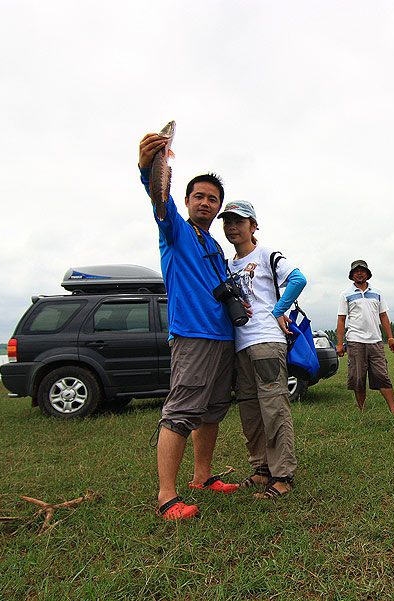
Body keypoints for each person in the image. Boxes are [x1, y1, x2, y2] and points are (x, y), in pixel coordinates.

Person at [138, 131, 239, 520]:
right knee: (180, 412)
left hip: (222, 337)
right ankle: (167, 496)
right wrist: (148, 168)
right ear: (187, 200)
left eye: (213, 199)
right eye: (199, 196)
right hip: (192, 335)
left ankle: (203, 476)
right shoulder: (176, 230)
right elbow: (158, 199)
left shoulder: (214, 245)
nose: (206, 202)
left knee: (213, 410)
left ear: (218, 208)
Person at [220, 200, 305, 499]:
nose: (232, 226)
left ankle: (282, 476)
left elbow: (298, 278)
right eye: (227, 221)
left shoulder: (267, 254)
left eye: (239, 221)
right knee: (250, 411)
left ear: (253, 226)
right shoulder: (227, 265)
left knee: (273, 407)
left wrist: (277, 310)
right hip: (240, 344)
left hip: (266, 341)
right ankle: (261, 470)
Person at [336, 260, 394, 417]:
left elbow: (383, 315)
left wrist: (390, 338)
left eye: (362, 270)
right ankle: (363, 411)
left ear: (367, 273)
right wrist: (339, 344)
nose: (359, 273)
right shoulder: (346, 294)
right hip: (355, 341)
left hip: (376, 341)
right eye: (356, 271)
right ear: (352, 275)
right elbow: (341, 319)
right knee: (358, 378)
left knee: (382, 376)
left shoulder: (377, 293)